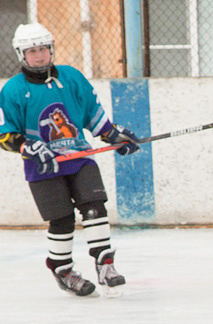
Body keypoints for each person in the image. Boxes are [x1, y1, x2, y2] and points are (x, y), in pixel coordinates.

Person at [0, 23, 140, 296]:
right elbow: (5, 134)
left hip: (78, 156)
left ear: (51, 49)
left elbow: (91, 114)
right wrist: (27, 147)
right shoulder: (13, 90)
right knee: (62, 220)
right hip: (43, 165)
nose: (39, 56)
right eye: (32, 51)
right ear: (21, 55)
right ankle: (62, 268)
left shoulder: (72, 78)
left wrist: (113, 135)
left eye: (43, 49)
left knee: (94, 205)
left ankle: (105, 263)